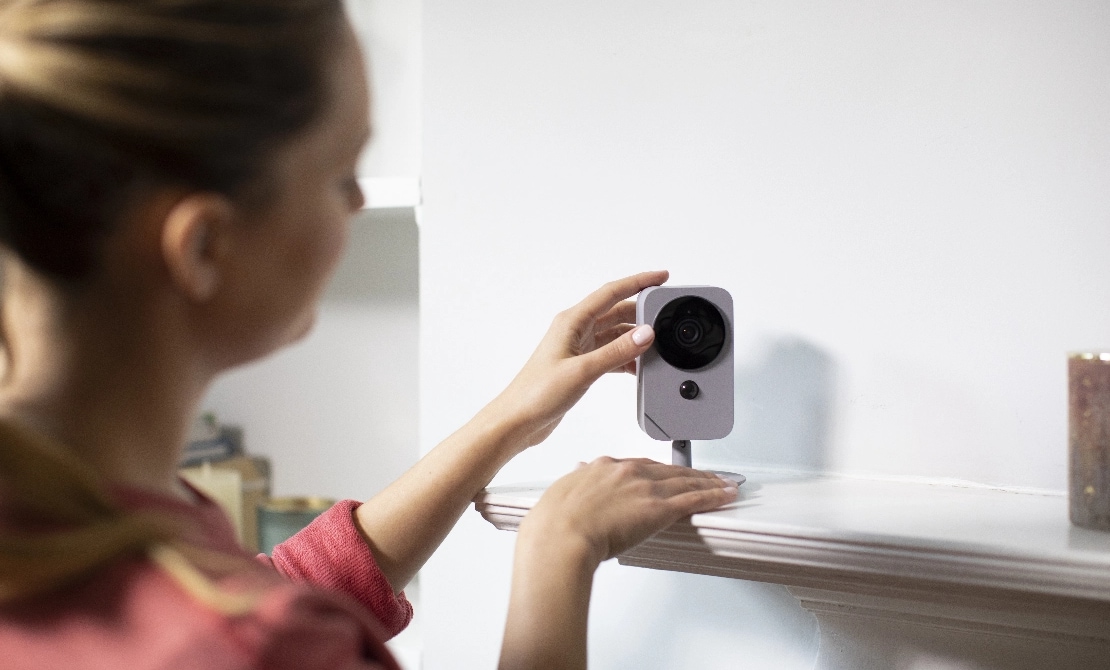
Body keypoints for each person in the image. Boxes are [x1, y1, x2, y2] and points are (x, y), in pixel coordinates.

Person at [0, 1, 739, 668]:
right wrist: (559, 548)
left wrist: (511, 419)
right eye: (340, 173)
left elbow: (262, 591)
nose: (356, 203)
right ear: (203, 249)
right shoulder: (254, 644)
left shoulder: (63, 520)